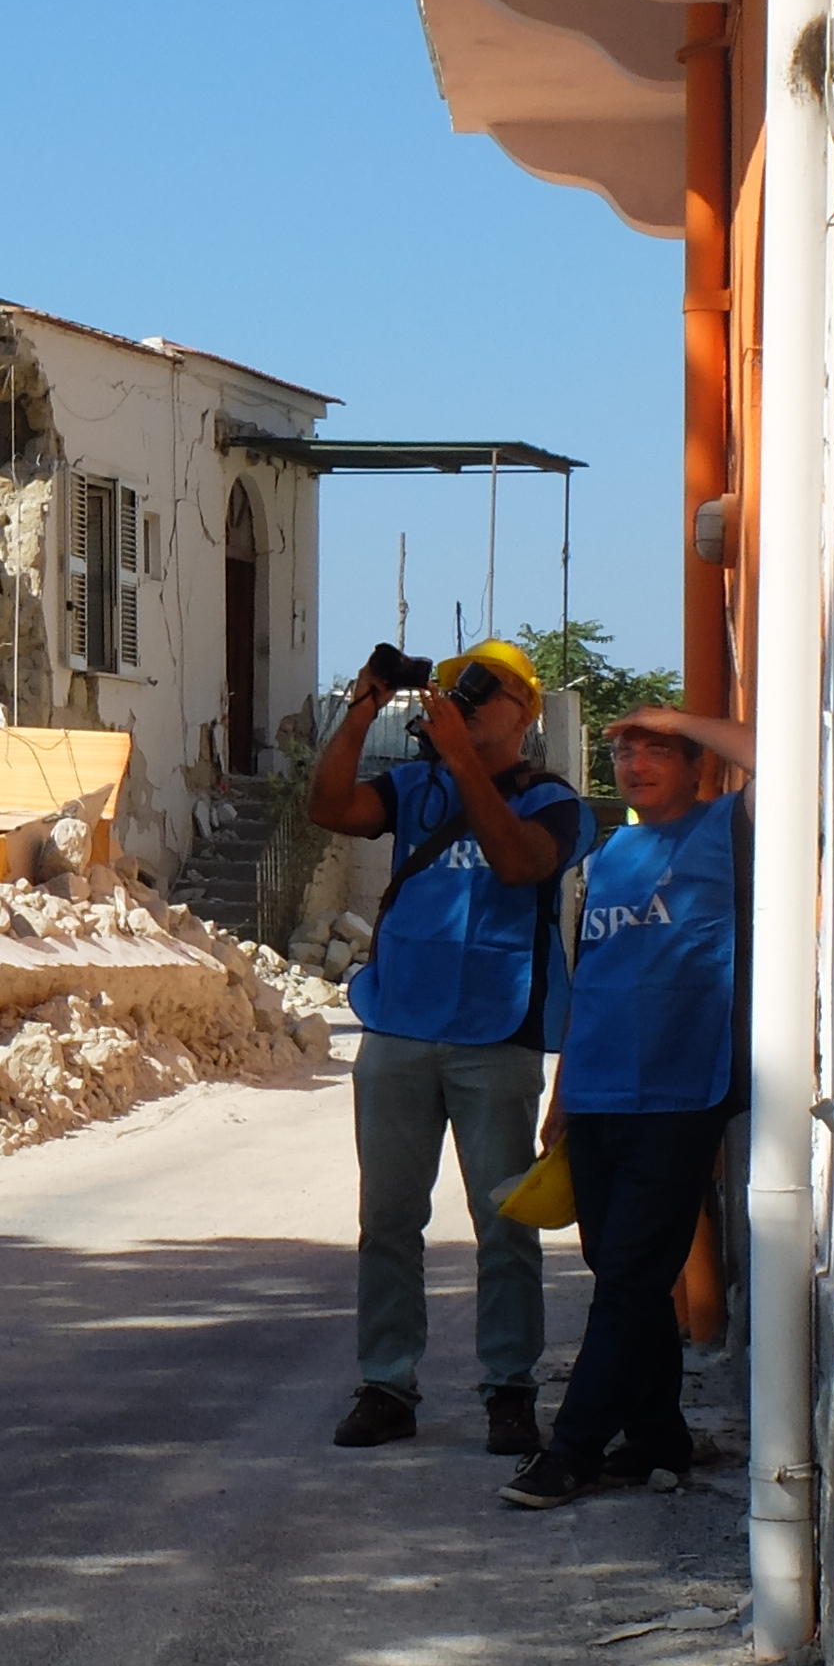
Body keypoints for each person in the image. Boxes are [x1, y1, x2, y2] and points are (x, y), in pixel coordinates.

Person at [308, 637, 597, 1454]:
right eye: (462, 688)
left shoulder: (554, 802)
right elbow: (329, 809)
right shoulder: (415, 786)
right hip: (399, 1026)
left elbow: (518, 864)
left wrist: (465, 761)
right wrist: (363, 709)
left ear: (526, 712)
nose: (469, 700)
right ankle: (386, 1384)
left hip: (498, 1034)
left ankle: (509, 1390)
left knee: (503, 1225)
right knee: (389, 1220)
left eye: (489, 689)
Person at [502, 704, 754, 1509]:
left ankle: (571, 1449)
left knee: (632, 1276)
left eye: (657, 752)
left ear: (694, 768)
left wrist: (683, 715)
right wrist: (564, 1091)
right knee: (620, 1271)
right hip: (601, 1090)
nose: (636, 765)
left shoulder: (725, 830)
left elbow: (790, 759)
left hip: (684, 1090)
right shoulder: (610, 855)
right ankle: (658, 1437)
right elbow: (595, 977)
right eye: (625, 753)